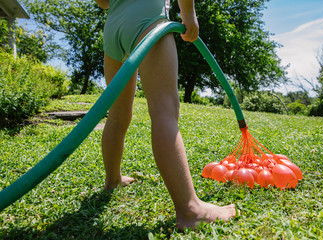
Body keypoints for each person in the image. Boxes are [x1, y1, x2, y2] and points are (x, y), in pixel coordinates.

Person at [95, 0, 237, 230]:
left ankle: (112, 180)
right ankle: (190, 210)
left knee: (117, 115)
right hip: (147, 18)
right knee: (164, 110)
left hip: (114, 26)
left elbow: (102, 2)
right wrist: (188, 13)